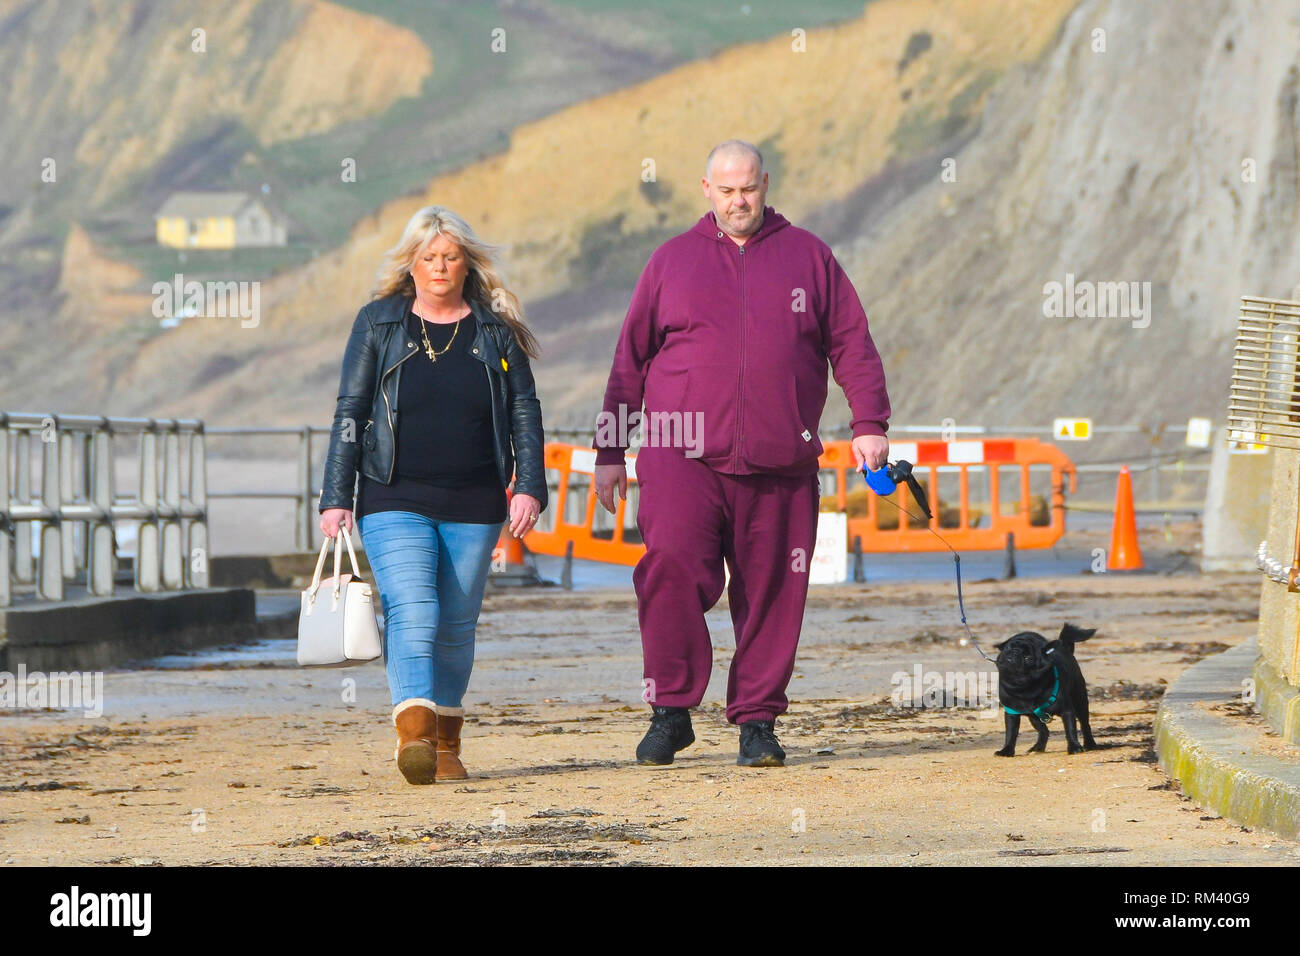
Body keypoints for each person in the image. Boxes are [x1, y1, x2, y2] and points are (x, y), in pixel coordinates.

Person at [593, 139, 891, 768]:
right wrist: (610, 450)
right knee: (669, 568)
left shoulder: (809, 257)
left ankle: (757, 722)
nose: (739, 200)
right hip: (680, 455)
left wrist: (869, 422)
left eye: (748, 188)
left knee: (774, 589)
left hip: (781, 459)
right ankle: (670, 712)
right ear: (706, 190)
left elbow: (852, 343)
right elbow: (630, 359)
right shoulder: (671, 261)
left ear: (765, 185)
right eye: (726, 190)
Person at [318, 205, 547, 785]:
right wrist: (335, 495)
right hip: (393, 495)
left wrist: (530, 485)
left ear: (466, 263)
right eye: (429, 257)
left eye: (450, 256)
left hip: (475, 502)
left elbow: (524, 408)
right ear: (411, 264)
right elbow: (351, 410)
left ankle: (445, 746)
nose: (440, 267)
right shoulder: (379, 323)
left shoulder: (495, 329)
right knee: (413, 610)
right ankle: (413, 736)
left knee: (457, 624)